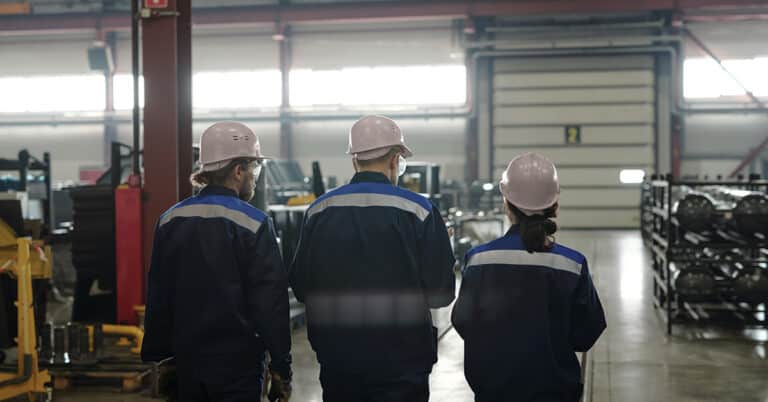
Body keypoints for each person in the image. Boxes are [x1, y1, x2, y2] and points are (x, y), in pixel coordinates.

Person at [289, 115, 456, 402]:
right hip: (403, 365)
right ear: (395, 159)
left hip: (339, 361)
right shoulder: (420, 211)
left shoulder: (319, 211)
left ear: (354, 160)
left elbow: (302, 287)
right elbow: (441, 293)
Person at [141, 121, 292, 402]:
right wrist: (281, 366)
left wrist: (161, 357)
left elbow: (159, 295)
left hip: (187, 362)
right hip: (238, 367)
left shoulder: (170, 220)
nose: (255, 177)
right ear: (238, 171)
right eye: (254, 168)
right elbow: (270, 303)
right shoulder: (254, 224)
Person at [451, 153, 606, 402]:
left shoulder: (478, 260)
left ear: (506, 204)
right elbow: (587, 332)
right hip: (555, 393)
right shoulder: (572, 265)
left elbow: (463, 321)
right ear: (554, 206)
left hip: (493, 393)